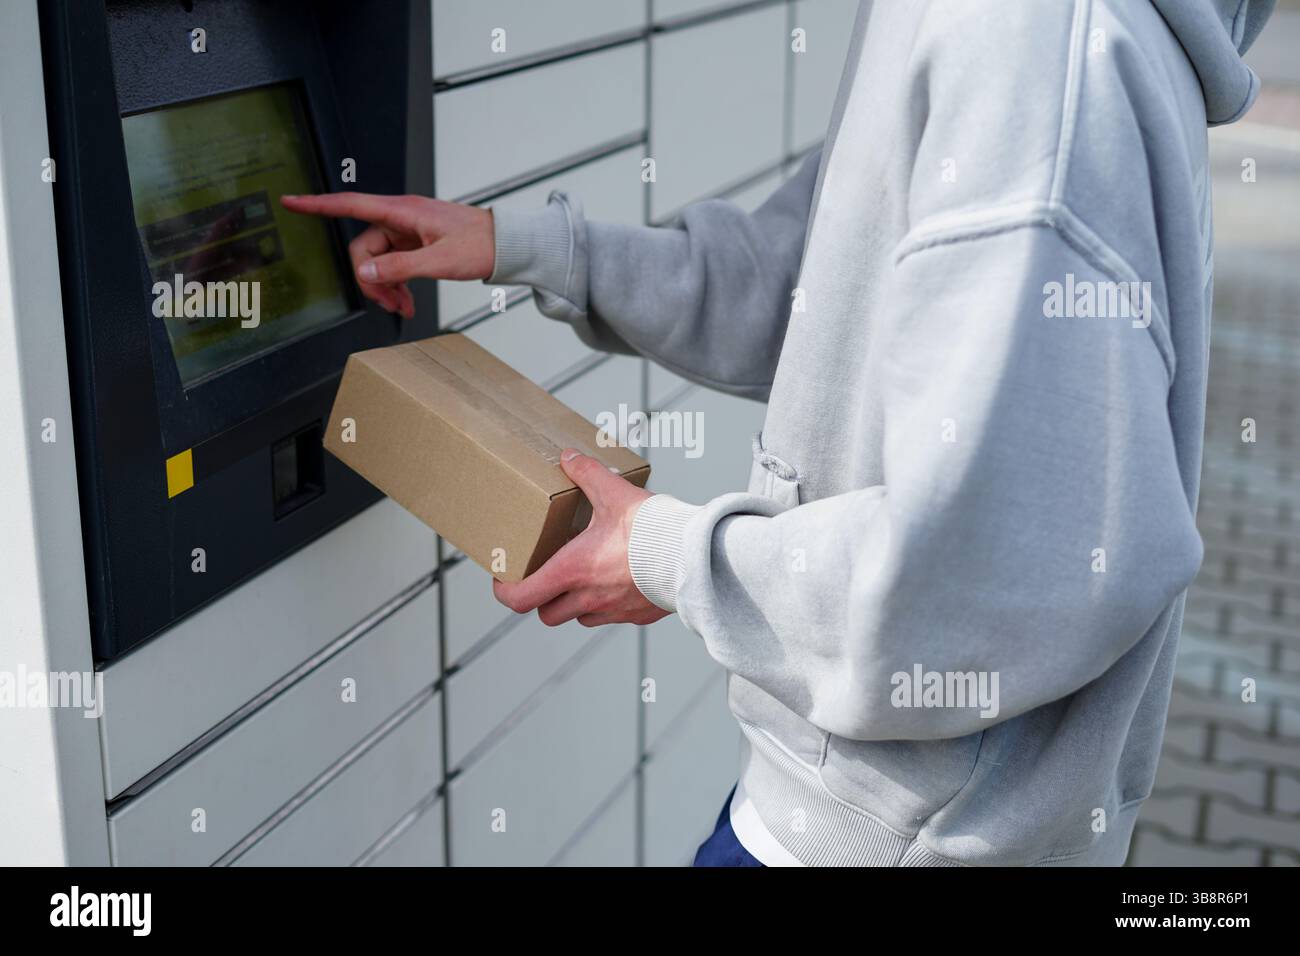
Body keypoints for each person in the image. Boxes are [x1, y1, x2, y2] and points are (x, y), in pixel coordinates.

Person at [283, 0, 1274, 866]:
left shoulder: (1029, 38)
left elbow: (1003, 557)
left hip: (908, 841)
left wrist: (670, 555)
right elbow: (803, 278)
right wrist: (533, 249)